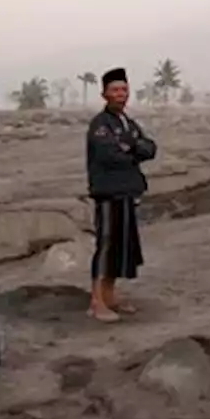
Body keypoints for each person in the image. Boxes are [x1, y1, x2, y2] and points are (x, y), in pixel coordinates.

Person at [85, 67, 157, 322]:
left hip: (127, 192)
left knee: (121, 248)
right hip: (108, 194)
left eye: (124, 89)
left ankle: (110, 296)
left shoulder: (127, 122)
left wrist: (131, 146)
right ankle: (96, 301)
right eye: (115, 90)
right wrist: (132, 148)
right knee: (105, 246)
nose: (121, 94)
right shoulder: (100, 124)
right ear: (104, 94)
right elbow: (110, 155)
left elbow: (150, 148)